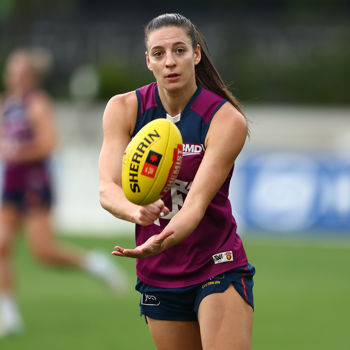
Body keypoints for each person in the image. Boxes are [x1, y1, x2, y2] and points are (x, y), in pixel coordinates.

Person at [99, 13, 255, 350]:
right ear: (148, 61)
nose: (169, 61)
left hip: (216, 263)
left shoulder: (226, 119)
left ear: (196, 55)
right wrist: (134, 213)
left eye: (179, 51)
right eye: (159, 53)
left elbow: (196, 205)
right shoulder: (123, 108)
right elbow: (107, 189)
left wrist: (161, 238)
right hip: (159, 273)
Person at [0, 48, 128, 338]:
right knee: (2, 246)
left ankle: (95, 264)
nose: (13, 75)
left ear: (30, 75)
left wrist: (16, 151)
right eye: (11, 70)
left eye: (19, 70)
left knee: (43, 252)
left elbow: (48, 143)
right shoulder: (7, 104)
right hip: (11, 184)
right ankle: (8, 315)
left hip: (34, 182)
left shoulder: (37, 104)